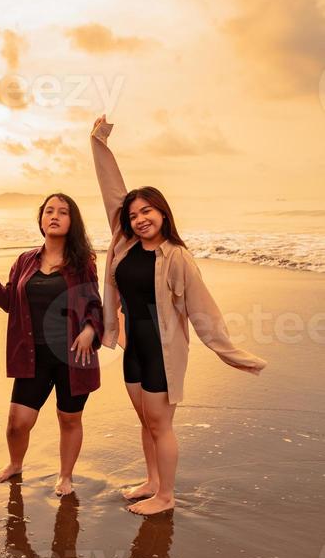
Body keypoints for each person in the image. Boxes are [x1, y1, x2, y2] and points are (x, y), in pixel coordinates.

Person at [90, 114, 267, 516]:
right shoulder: (124, 244)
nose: (140, 219)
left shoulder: (177, 257)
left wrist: (230, 353)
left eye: (148, 211)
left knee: (160, 424)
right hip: (134, 347)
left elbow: (202, 310)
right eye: (134, 214)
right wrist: (99, 143)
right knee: (144, 419)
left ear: (164, 213)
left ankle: (166, 496)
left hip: (163, 352)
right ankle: (152, 481)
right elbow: (111, 190)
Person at [0, 193, 104, 496]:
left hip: (73, 356)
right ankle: (16, 464)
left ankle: (65, 476)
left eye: (63, 211)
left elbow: (94, 305)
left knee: (69, 419)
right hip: (31, 355)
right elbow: (10, 300)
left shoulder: (82, 263)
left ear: (71, 221)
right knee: (17, 423)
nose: (55, 215)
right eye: (49, 210)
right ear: (41, 219)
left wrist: (90, 329)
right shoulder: (25, 261)